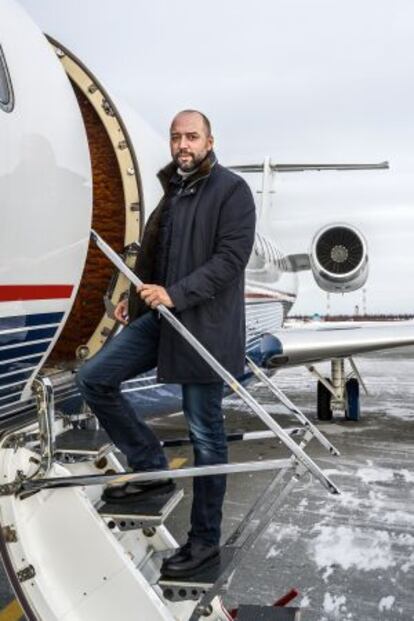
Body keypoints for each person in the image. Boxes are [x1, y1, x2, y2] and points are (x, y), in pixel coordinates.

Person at [76, 110, 256, 578]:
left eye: (191, 136)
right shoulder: (172, 194)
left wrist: (175, 294)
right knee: (94, 379)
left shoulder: (232, 191)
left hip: (204, 330)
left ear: (209, 140)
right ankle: (150, 464)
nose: (182, 144)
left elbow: (230, 260)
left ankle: (203, 543)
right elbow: (158, 260)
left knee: (206, 437)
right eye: (176, 137)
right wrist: (134, 306)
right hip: (161, 321)